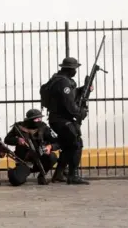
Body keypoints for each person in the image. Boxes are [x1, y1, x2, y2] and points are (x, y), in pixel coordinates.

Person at [44, 57, 92, 185]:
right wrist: (80, 113)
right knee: (76, 143)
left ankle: (59, 174)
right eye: (75, 69)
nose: (75, 71)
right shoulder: (64, 83)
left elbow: (71, 95)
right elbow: (70, 104)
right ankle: (73, 175)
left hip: (57, 119)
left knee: (67, 145)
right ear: (70, 70)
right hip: (61, 120)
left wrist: (84, 89)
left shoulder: (58, 80)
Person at [4, 109, 59, 186]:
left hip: (40, 158)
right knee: (16, 181)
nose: (39, 120)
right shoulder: (19, 127)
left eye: (40, 118)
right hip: (25, 161)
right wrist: (17, 140)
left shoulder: (43, 127)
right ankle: (17, 172)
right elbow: (7, 140)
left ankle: (41, 176)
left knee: (52, 157)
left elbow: (57, 142)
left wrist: (50, 147)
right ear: (30, 120)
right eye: (36, 119)